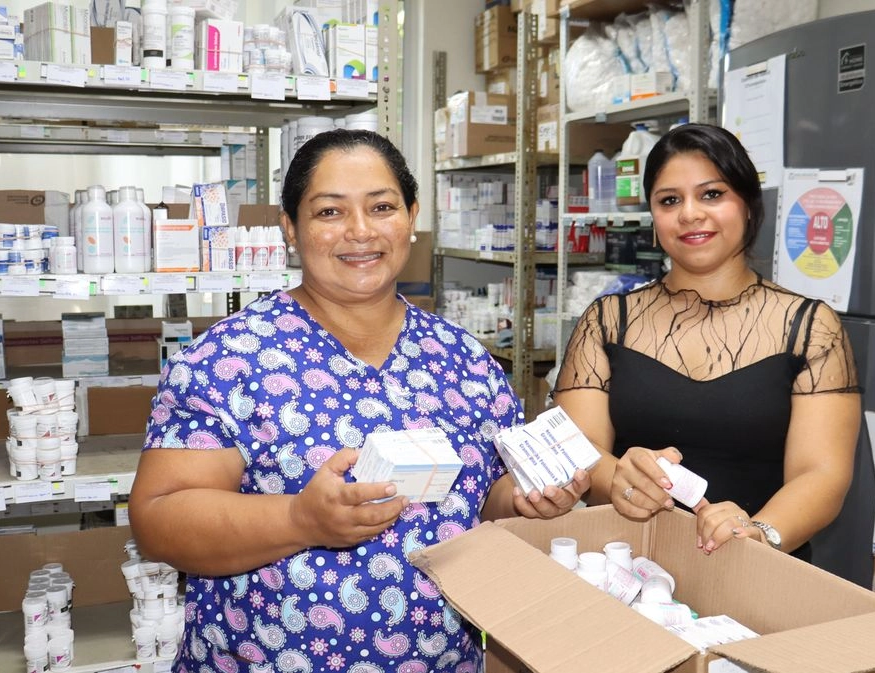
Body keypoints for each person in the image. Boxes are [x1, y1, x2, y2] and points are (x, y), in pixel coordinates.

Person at [129, 129, 590, 673]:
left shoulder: (464, 359)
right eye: (329, 212)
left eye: (383, 207)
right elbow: (159, 520)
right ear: (291, 229)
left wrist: (525, 500)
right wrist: (300, 519)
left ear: (411, 217)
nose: (361, 231)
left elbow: (483, 500)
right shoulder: (229, 358)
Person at [554, 123, 860, 560]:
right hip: (627, 565)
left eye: (712, 194)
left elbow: (822, 474)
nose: (690, 214)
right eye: (669, 200)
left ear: (748, 205)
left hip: (757, 572)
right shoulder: (607, 322)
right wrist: (618, 476)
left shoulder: (811, 327)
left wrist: (758, 533)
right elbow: (580, 448)